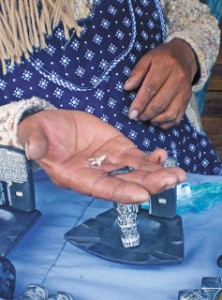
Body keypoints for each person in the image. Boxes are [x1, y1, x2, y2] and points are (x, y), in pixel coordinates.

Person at [0, 0, 221, 202]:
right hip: (38, 209)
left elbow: (197, 21)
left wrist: (186, 52)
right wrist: (18, 123)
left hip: (182, 180)